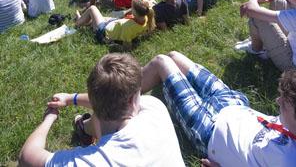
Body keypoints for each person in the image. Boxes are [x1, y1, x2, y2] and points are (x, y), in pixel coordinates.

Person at [139, 51, 296, 166]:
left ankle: (116, 99)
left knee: (162, 62)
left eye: (285, 104)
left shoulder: (293, 163)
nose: (278, 101)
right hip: (235, 105)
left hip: (208, 130)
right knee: (175, 56)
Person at [19, 53, 184, 166]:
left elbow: (27, 156)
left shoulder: (93, 161)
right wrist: (71, 98)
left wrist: (50, 117)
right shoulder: (154, 108)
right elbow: (110, 102)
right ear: (133, 99)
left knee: (102, 119)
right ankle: (83, 127)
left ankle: (82, 127)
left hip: (101, 123)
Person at [76, 0, 156, 45]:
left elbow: (127, 47)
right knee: (102, 18)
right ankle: (87, 22)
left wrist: (116, 46)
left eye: (132, 7)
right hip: (112, 24)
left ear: (135, 12)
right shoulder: (147, 19)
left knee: (92, 8)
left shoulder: (128, 27)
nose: (130, 9)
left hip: (103, 33)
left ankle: (78, 22)